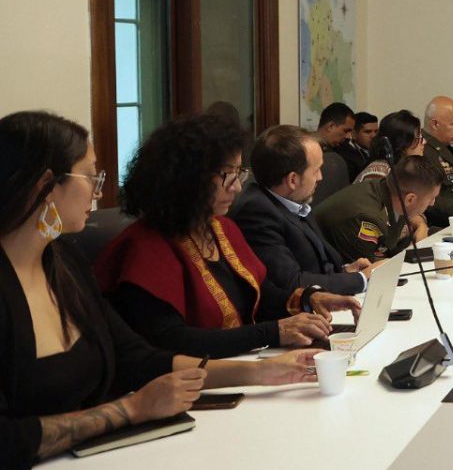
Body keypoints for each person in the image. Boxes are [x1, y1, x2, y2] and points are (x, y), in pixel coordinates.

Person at [0, 111, 320, 470]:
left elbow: (139, 358)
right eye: (91, 177)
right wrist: (131, 410)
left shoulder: (63, 263)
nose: (99, 191)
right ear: (45, 184)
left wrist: (264, 374)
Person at [96, 114, 359, 359]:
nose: (237, 186)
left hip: (246, 365)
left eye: (239, 174)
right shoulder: (144, 248)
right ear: (188, 178)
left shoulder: (221, 228)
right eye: (228, 175)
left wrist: (308, 298)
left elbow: (260, 293)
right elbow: (170, 340)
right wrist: (274, 332)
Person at [233, 125, 372, 297]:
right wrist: (360, 279)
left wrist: (346, 271)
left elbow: (315, 265)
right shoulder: (256, 214)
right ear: (293, 180)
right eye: (316, 170)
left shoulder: (292, 200)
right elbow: (292, 283)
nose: (320, 177)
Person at [314, 155, 443, 263]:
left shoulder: (388, 189)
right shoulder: (368, 218)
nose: (432, 203)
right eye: (432, 198)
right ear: (410, 199)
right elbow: (367, 272)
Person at [356, 110, 426, 185]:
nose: (424, 142)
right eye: (418, 138)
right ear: (401, 143)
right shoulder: (378, 174)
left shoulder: (401, 168)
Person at [311, 102, 356, 206]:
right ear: (331, 126)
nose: (348, 136)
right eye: (346, 130)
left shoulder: (342, 150)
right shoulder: (329, 158)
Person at [332, 111, 377, 180]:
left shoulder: (378, 150)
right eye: (368, 132)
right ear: (354, 134)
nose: (374, 136)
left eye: (376, 131)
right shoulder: (344, 154)